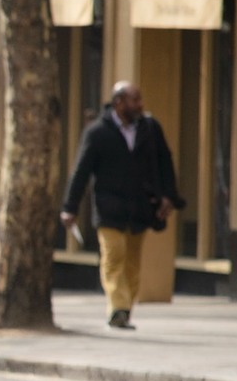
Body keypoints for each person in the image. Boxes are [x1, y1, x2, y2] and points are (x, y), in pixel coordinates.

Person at [60, 81, 184, 330]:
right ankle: (118, 307)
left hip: (141, 207)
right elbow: (81, 171)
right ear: (119, 103)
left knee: (132, 262)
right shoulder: (97, 132)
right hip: (109, 209)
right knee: (113, 257)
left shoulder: (150, 128)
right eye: (134, 100)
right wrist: (70, 207)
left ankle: (125, 308)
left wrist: (169, 196)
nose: (140, 104)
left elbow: (165, 161)